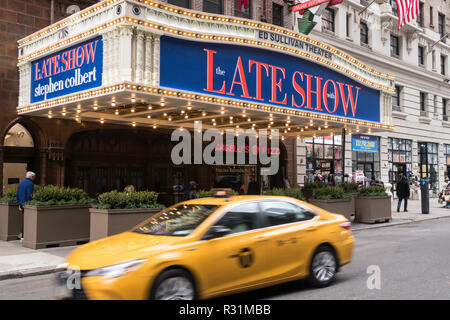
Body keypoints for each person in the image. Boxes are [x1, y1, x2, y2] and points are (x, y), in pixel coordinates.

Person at [16, 171, 36, 240]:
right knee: (28, 221)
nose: (34, 178)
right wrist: (30, 203)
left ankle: (21, 234)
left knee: (24, 219)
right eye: (34, 177)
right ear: (31, 177)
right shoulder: (30, 184)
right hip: (27, 204)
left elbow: (18, 194)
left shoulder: (21, 183)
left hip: (21, 204)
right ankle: (23, 235)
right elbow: (29, 195)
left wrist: (19, 204)